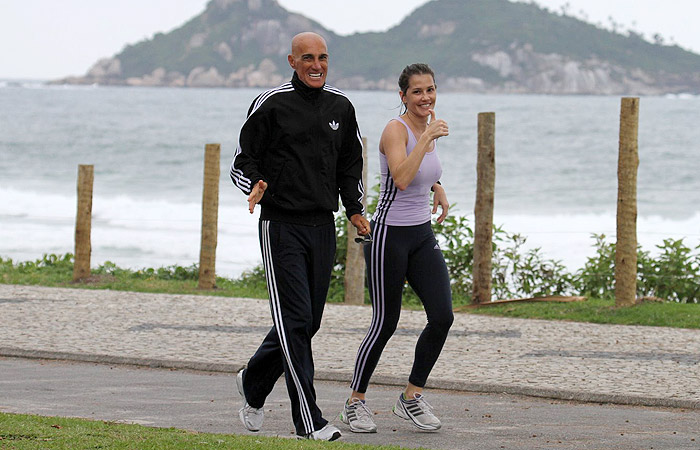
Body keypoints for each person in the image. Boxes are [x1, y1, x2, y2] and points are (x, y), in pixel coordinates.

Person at [229, 31, 370, 441]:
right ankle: (309, 422)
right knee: (294, 322)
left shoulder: (341, 106)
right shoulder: (271, 103)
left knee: (308, 323)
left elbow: (350, 163)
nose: (316, 65)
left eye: (323, 58)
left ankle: (254, 381)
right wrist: (254, 184)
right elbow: (244, 157)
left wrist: (356, 209)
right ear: (292, 61)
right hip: (281, 225)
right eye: (307, 58)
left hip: (322, 226)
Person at [339, 63, 454, 433]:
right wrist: (424, 138)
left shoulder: (428, 129)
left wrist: (438, 186)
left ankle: (410, 397)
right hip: (389, 235)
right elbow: (401, 178)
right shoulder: (396, 129)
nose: (426, 97)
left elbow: (424, 173)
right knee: (385, 322)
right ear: (402, 96)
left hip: (421, 235)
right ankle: (354, 402)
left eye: (431, 90)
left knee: (442, 316)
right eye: (417, 91)